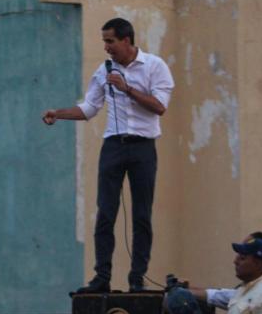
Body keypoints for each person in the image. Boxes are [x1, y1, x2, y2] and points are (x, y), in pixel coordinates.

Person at [43, 17, 174, 293]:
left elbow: (160, 107)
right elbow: (90, 108)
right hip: (114, 145)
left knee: (141, 215)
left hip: (143, 146)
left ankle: (137, 278)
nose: (106, 47)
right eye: (104, 41)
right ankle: (102, 276)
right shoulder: (103, 71)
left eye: (110, 41)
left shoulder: (154, 66)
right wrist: (59, 113)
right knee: (106, 212)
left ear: (126, 40)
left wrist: (128, 89)